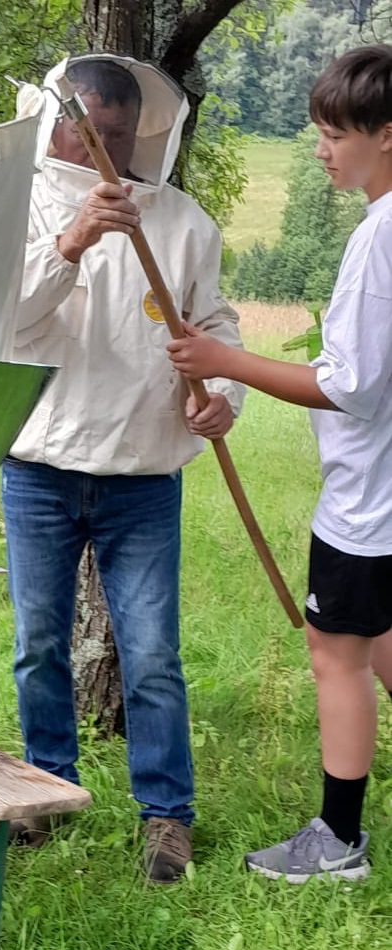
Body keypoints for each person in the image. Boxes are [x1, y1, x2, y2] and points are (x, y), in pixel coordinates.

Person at [2, 55, 246, 883]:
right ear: (60, 124)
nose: (104, 150)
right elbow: (1, 325)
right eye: (90, 132)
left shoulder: (181, 223)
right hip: (38, 465)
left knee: (149, 655)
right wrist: (71, 242)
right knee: (37, 644)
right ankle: (45, 788)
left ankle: (166, 818)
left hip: (143, 475)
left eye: (120, 135)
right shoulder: (21, 205)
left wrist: (221, 398)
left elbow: (214, 327)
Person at [167, 44, 392, 883]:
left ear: (387, 135)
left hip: (370, 501)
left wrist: (222, 361)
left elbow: (352, 388)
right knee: (376, 642)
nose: (322, 149)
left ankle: (337, 842)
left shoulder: (380, 240)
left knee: (337, 651)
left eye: (337, 133)